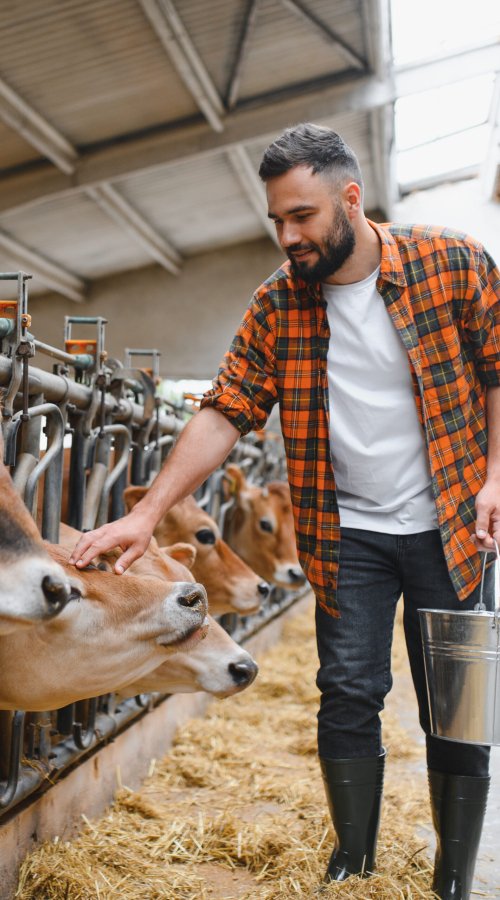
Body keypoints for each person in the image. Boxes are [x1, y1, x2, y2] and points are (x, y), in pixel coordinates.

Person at [70, 123, 500, 898]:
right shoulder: (277, 304)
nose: (288, 235)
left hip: (454, 526)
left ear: (350, 198)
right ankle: (355, 866)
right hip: (348, 532)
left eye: (301, 216)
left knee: (459, 708)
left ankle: (454, 879)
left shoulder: (454, 263)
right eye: (276, 219)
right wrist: (147, 513)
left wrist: (496, 474)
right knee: (347, 692)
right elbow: (225, 410)